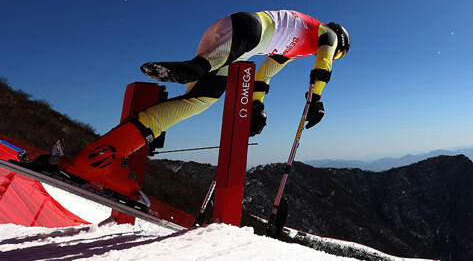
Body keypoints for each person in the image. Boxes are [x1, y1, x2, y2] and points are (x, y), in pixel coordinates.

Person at [68, 10, 350, 197]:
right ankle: (194, 68)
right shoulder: (328, 34)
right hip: (246, 31)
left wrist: (256, 106)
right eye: (339, 54)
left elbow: (264, 74)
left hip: (232, 42)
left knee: (197, 102)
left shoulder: (296, 48)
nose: (333, 54)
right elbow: (323, 63)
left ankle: (100, 157)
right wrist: (317, 100)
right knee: (201, 71)